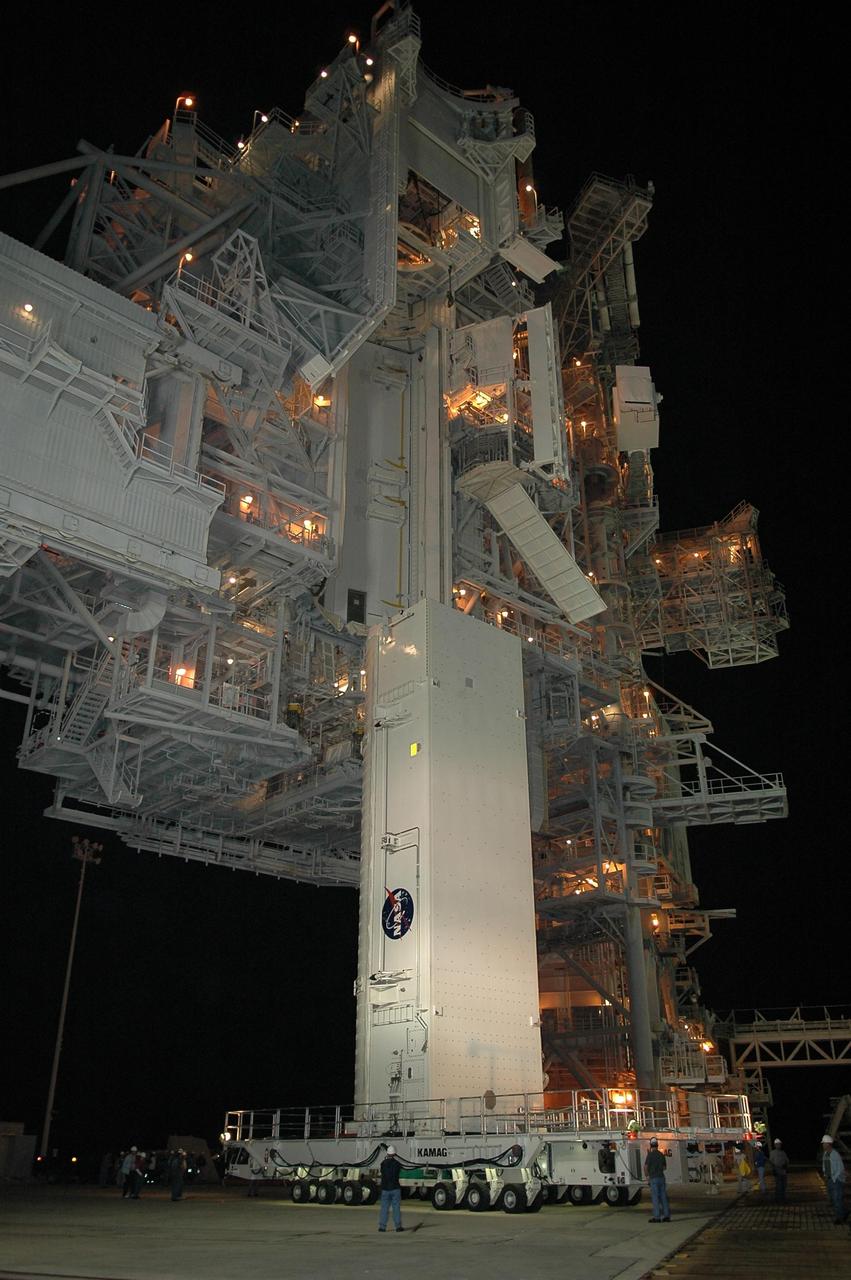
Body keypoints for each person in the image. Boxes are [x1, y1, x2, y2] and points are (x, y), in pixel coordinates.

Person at [821, 1135, 847, 1223]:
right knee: (834, 1198)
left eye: (824, 1143)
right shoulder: (825, 1154)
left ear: (829, 1144)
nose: (823, 1145)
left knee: (837, 1199)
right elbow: (824, 1165)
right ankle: (844, 1212)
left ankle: (840, 1218)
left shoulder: (835, 1154)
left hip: (836, 1180)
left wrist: (834, 1178)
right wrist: (825, 1174)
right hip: (829, 1179)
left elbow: (840, 1168)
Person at [378, 1144, 403, 1232]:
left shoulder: (383, 1164)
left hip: (385, 1188)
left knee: (384, 1208)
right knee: (396, 1208)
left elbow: (383, 1173)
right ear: (394, 1154)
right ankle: (398, 1226)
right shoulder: (397, 1164)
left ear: (387, 1153)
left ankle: (382, 1227)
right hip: (395, 1188)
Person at [644, 1137, 670, 1222]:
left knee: (655, 1198)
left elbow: (646, 1167)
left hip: (654, 1179)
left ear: (651, 1145)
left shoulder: (650, 1155)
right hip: (661, 1178)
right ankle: (666, 1216)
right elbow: (664, 1167)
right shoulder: (661, 1154)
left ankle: (657, 1217)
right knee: (663, 1197)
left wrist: (647, 1177)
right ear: (657, 1145)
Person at [769, 1138, 789, 1204]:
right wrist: (773, 1170)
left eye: (779, 1144)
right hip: (777, 1171)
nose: (779, 1145)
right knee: (779, 1186)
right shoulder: (772, 1153)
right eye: (777, 1144)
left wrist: (785, 1166)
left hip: (783, 1171)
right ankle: (778, 1199)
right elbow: (771, 1162)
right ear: (775, 1145)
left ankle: (783, 1198)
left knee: (784, 1186)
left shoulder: (783, 1152)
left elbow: (787, 1161)